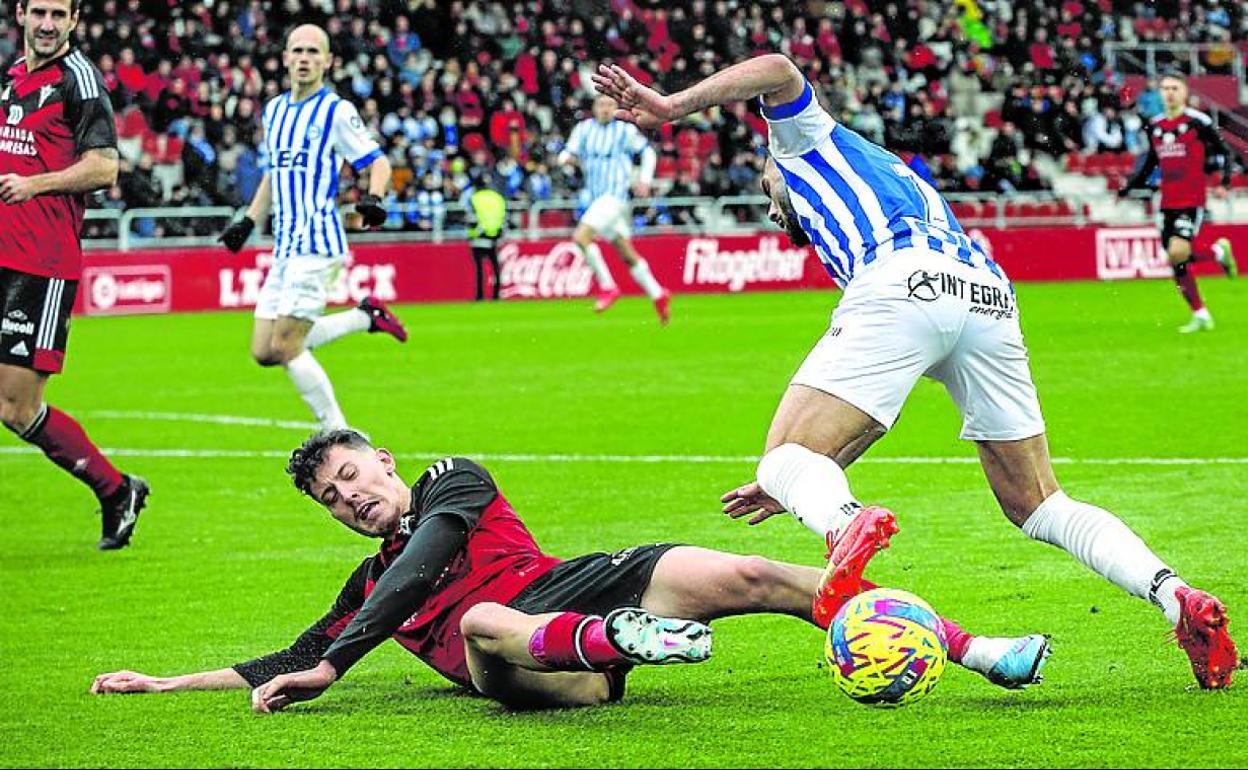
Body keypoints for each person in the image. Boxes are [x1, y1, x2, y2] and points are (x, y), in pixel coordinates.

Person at [593, 55, 1237, 689]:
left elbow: (778, 66)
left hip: (901, 280)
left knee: (780, 454)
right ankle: (1176, 596)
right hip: (987, 292)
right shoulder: (894, 178)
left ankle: (844, 523)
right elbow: (871, 411)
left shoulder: (801, 141)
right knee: (1039, 504)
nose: (771, 208)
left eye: (767, 192)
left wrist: (672, 106)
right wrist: (813, 478)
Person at [91, 429, 1051, 712]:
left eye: (352, 478)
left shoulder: (449, 481)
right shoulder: (366, 594)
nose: (353, 500)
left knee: (765, 572)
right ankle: (620, 643)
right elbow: (288, 654)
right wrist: (166, 680)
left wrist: (342, 660)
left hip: (580, 588)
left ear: (384, 460)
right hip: (538, 668)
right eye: (334, 502)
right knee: (478, 626)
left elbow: (422, 557)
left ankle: (976, 650)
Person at [0, 0, 148, 550]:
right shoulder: (12, 77)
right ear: (20, 13)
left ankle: (115, 490)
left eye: (58, 13)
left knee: (15, 408)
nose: (46, 22)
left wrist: (34, 184)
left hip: (39, 265)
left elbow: (105, 166)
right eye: (38, 10)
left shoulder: (79, 80)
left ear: (74, 21)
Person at [217, 24, 408, 430]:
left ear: (327, 61)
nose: (304, 58)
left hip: (318, 241)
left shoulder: (336, 111)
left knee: (287, 345)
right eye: (297, 51)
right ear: (285, 58)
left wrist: (374, 197)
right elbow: (275, 171)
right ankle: (365, 317)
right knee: (264, 350)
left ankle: (340, 433)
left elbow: (377, 161)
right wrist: (249, 219)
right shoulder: (274, 111)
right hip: (285, 245)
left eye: (313, 52)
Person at [1119, 71, 1237, 333]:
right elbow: (1151, 161)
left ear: (1184, 92)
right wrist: (1128, 187)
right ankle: (1201, 312)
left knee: (1177, 252)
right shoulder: (1156, 125)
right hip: (1166, 201)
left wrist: (1224, 182)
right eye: (1165, 88)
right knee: (1177, 261)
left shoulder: (1198, 121)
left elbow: (1224, 151)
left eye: (1174, 88)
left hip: (1191, 199)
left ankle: (1216, 258)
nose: (1169, 93)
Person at [558, 95, 671, 325]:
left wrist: (645, 180)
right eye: (601, 105)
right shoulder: (583, 129)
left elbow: (648, 152)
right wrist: (567, 160)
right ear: (594, 108)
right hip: (596, 199)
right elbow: (565, 155)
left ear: (616, 109)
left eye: (610, 105)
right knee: (626, 254)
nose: (606, 110)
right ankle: (658, 294)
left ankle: (608, 286)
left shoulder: (624, 131)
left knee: (581, 237)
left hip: (615, 198)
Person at [463, 168, 506, 301]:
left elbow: (471, 218)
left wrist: (471, 234)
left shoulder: (475, 198)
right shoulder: (497, 198)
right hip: (494, 236)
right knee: (495, 267)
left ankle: (480, 295)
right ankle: (496, 294)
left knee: (480, 268)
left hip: (478, 237)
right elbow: (503, 217)